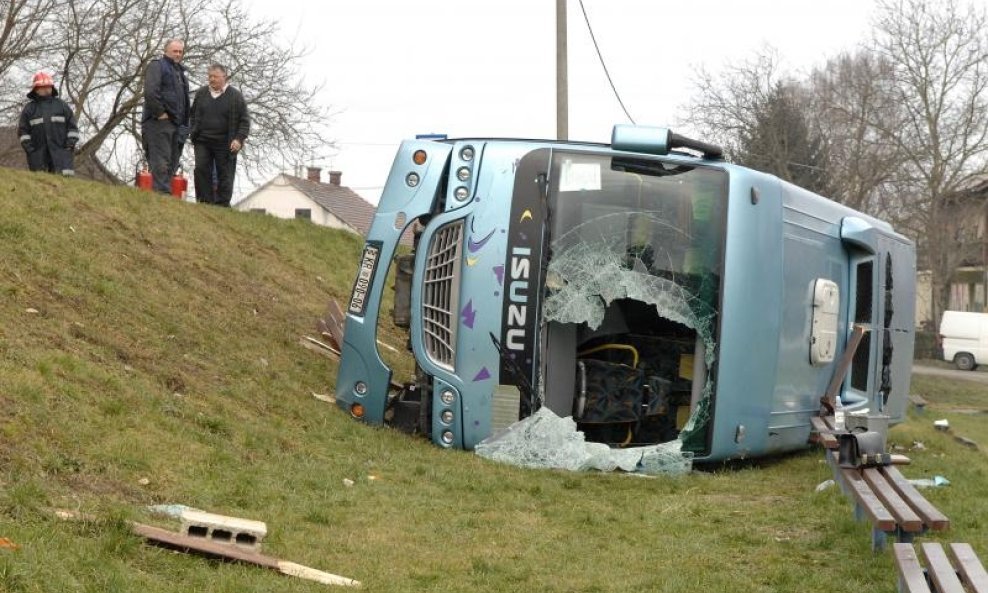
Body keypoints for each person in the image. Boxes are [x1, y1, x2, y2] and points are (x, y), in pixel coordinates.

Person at [189, 63, 250, 206]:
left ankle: (222, 204)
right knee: (202, 169)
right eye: (209, 76)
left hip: (225, 142)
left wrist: (239, 139)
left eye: (215, 76)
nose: (211, 79)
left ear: (225, 77)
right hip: (202, 140)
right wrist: (193, 131)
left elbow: (244, 121)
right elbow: (193, 114)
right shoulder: (201, 93)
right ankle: (204, 201)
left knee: (225, 173)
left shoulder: (235, 96)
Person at [142, 38, 190, 193]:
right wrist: (160, 113)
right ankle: (160, 194)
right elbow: (150, 92)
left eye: (180, 51)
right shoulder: (157, 66)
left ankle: (165, 194)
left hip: (177, 125)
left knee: (172, 162)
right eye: (174, 51)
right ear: (166, 51)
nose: (177, 54)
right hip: (159, 123)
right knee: (161, 161)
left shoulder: (180, 72)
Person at [17, 72, 80, 176]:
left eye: (48, 87)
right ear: (36, 89)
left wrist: (69, 145)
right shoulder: (29, 109)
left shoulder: (62, 106)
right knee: (40, 184)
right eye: (42, 87)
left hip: (62, 153)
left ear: (52, 88)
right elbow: (23, 132)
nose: (46, 89)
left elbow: (72, 128)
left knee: (65, 186)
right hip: (38, 155)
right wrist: (31, 150)